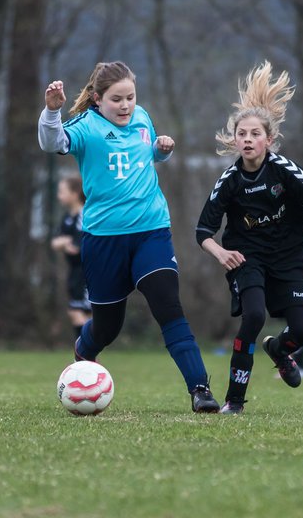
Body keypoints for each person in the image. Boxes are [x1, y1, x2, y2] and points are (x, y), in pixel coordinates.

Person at [37, 61, 219, 412]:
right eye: (116, 99)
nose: (125, 106)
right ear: (97, 99)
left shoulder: (142, 118)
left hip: (151, 231)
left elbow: (145, 158)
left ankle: (200, 390)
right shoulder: (86, 127)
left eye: (130, 98)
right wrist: (51, 111)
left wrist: (161, 152)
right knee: (107, 327)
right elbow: (51, 143)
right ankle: (83, 355)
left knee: (168, 307)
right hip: (104, 240)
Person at [196, 62, 303, 413]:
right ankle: (234, 402)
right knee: (253, 316)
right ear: (234, 138)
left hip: (290, 255)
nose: (248, 140)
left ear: (268, 140)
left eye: (255, 134)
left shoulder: (285, 170)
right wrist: (221, 253)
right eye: (242, 134)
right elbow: (203, 232)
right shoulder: (229, 180)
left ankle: (280, 349)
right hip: (248, 257)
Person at [50, 173, 92, 344]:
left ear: (75, 194)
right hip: (75, 272)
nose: (59, 195)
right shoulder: (68, 218)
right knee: (81, 313)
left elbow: (76, 248)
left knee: (79, 313)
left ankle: (86, 356)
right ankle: (88, 357)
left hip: (86, 272)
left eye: (62, 191)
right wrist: (64, 242)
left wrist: (65, 242)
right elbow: (55, 243)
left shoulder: (84, 215)